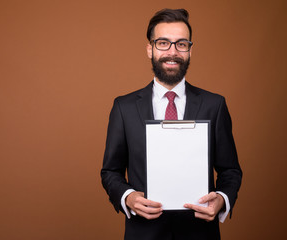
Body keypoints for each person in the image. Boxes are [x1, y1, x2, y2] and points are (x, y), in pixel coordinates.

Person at [100, 8, 242, 240]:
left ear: (190, 50)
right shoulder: (123, 108)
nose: (172, 52)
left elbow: (230, 170)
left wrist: (222, 198)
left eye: (181, 44)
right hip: (143, 233)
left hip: (200, 233)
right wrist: (128, 197)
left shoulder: (214, 105)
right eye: (163, 43)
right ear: (150, 49)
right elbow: (110, 172)